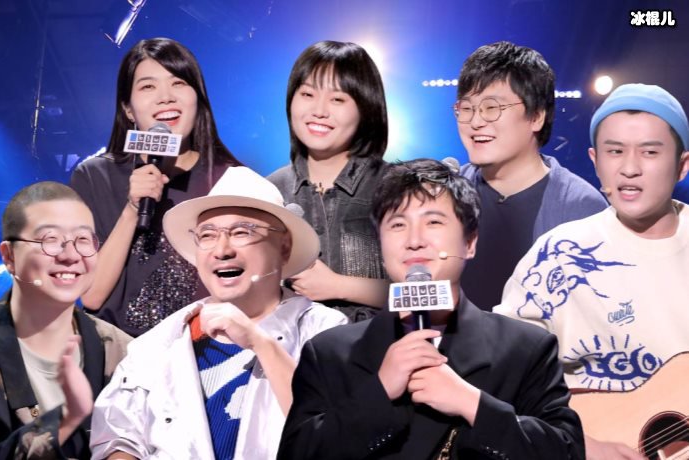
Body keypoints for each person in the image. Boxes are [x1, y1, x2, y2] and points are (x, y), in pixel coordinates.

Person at [278, 159, 584, 460]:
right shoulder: (330, 352)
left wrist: (473, 404)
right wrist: (379, 392)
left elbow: (565, 452)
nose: (414, 241)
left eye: (433, 222)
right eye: (398, 225)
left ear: (470, 242)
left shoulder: (526, 347)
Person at [90, 167, 347, 460]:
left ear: (284, 247)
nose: (222, 250)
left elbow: (336, 435)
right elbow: (117, 438)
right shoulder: (157, 344)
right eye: (207, 235)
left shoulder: (324, 331)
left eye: (242, 232)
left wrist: (260, 344)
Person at [495, 83, 689, 460]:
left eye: (650, 152)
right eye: (614, 151)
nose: (629, 168)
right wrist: (584, 445)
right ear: (595, 160)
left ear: (682, 165)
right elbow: (503, 378)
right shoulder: (557, 255)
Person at [71, 37, 241, 337]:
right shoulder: (95, 176)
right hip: (116, 351)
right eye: (148, 86)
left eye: (178, 83)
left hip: (203, 347)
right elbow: (92, 296)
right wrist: (132, 209)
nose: (165, 97)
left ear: (198, 99)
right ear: (128, 109)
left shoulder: (231, 181)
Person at [455, 41, 607, 310]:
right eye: (467, 109)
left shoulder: (581, 207)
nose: (476, 122)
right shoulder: (445, 195)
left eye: (492, 108)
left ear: (536, 116)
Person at [0, 181, 130, 459]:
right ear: (9, 256)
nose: (70, 255)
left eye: (83, 240)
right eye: (50, 239)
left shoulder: (124, 354)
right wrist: (67, 417)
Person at [268, 40, 389, 322]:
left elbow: (432, 292)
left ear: (366, 108)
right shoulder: (270, 191)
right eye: (307, 94)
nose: (319, 110)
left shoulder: (396, 188)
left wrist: (339, 286)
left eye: (337, 99)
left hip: (379, 346)